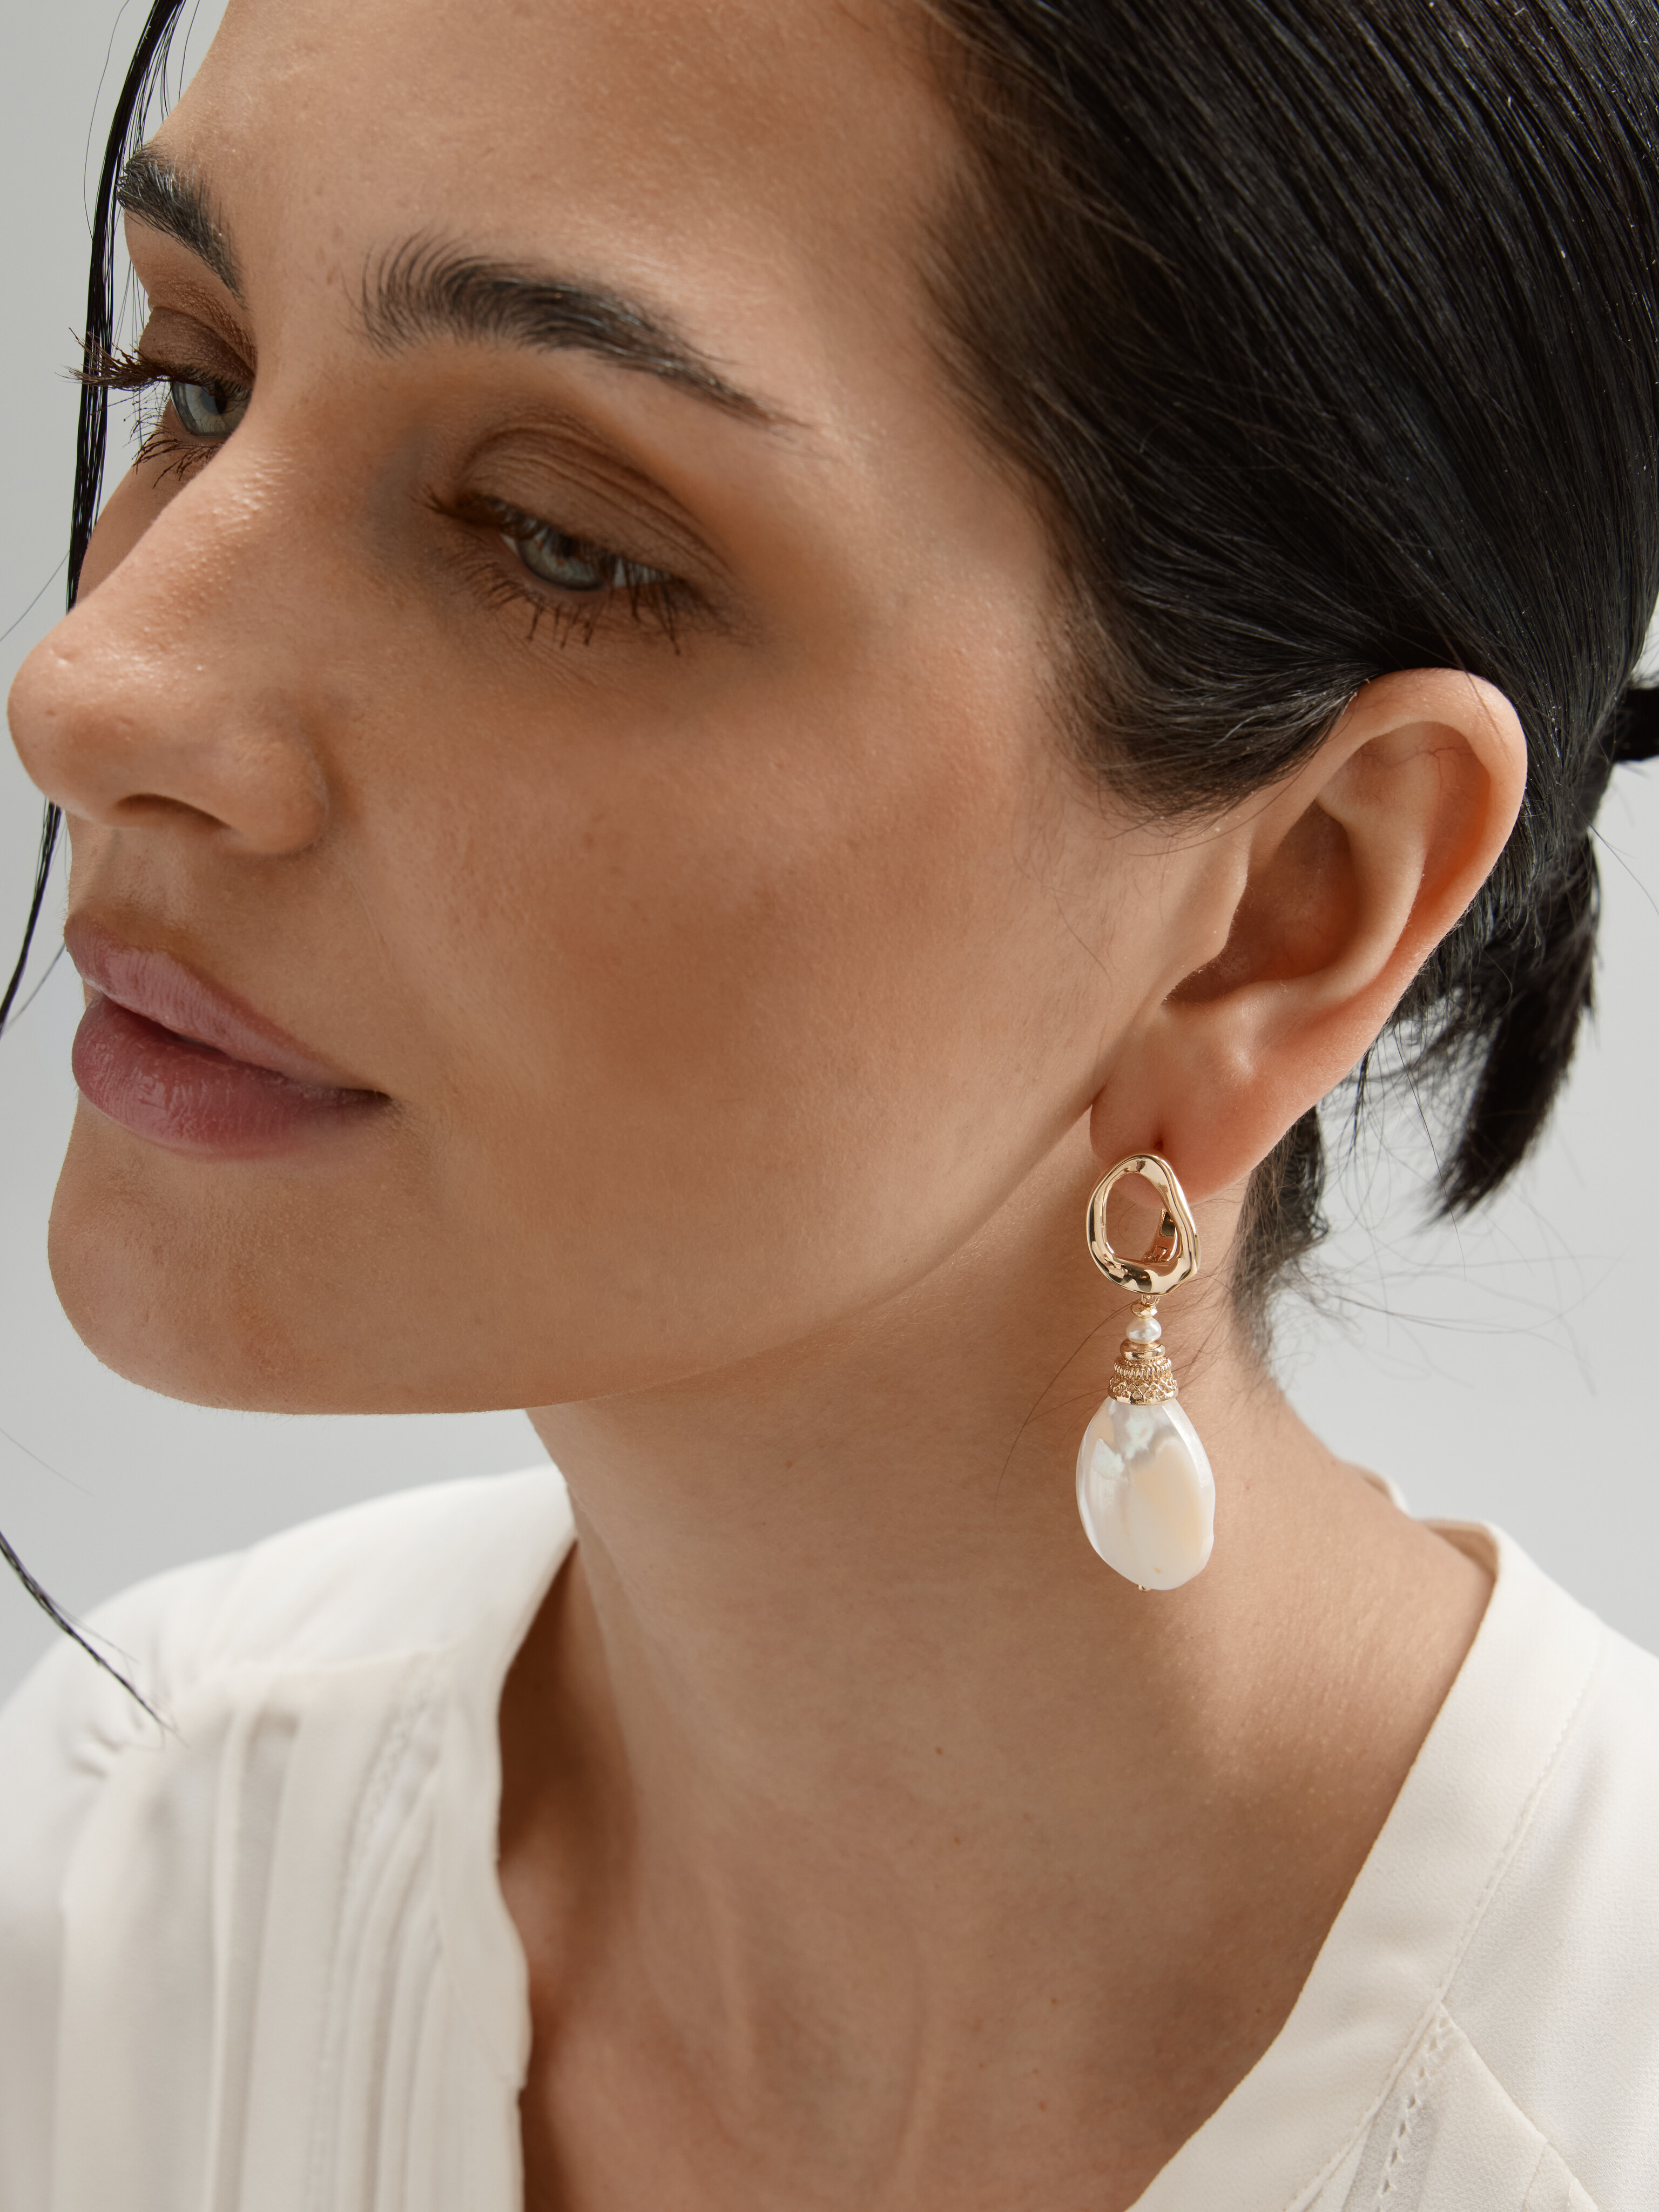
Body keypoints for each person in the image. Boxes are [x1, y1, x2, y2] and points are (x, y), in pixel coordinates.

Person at [2, 0, 1658, 2203]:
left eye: (558, 540)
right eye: (194, 384)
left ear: (1285, 909)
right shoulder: (117, 1885)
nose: (91, 684)